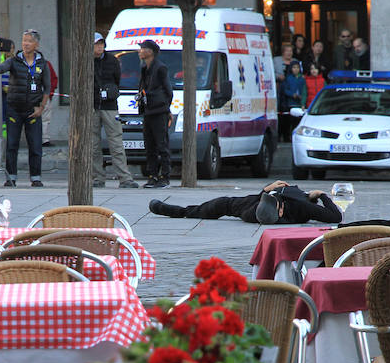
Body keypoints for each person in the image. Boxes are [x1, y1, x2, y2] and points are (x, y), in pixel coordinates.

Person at [0, 29, 51, 187]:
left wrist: (41, 108)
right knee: (12, 144)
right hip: (14, 108)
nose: (25, 44)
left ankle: (36, 178)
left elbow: (47, 88)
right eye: (24, 40)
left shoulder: (42, 63)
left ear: (36, 44)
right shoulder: (14, 60)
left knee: (35, 145)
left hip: (33, 110)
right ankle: (11, 177)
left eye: (29, 41)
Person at [149, 180, 342, 224]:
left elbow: (336, 217)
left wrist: (266, 190)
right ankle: (176, 210)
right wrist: (322, 195)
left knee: (208, 207)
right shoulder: (301, 206)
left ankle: (168, 210)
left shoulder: (303, 208)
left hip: (244, 204)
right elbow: (335, 217)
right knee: (217, 205)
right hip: (252, 203)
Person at [92, 32, 138, 189]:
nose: (99, 47)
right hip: (91, 106)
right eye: (96, 44)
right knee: (93, 145)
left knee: (116, 142)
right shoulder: (85, 61)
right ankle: (98, 177)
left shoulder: (112, 60)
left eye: (101, 44)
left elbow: (117, 80)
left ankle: (125, 178)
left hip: (110, 106)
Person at [136, 39, 172, 189]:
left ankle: (165, 176)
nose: (140, 51)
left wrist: (164, 107)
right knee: (149, 145)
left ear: (150, 51)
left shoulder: (160, 68)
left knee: (161, 145)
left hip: (159, 111)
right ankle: (152, 176)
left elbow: (168, 91)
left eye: (142, 48)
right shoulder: (145, 68)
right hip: (148, 111)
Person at [41, 60, 58, 147]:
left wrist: (49, 92)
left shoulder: (46, 64)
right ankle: (40, 139)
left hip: (44, 95)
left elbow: (53, 79)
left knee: (45, 118)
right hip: (29, 97)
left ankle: (44, 139)